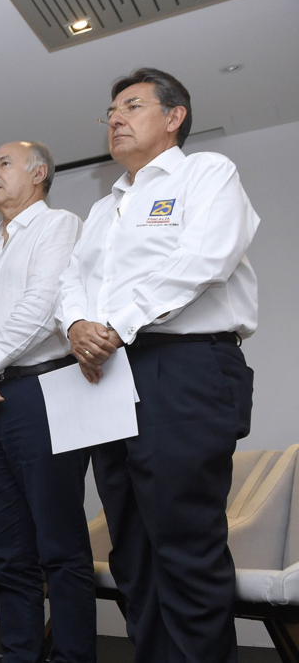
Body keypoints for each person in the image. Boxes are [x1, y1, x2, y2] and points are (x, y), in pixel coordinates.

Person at [60, 68, 258, 663]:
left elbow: (205, 260)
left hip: (185, 366)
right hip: (109, 373)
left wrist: (116, 323)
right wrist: (76, 325)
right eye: (111, 111)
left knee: (184, 542)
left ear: (174, 117)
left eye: (132, 106)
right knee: (131, 550)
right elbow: (72, 279)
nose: (115, 118)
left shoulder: (207, 173)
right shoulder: (105, 207)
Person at [0, 142, 93, 663]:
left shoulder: (59, 225)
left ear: (39, 173)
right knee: (6, 549)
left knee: (59, 545)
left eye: (3, 163)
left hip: (44, 391)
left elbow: (42, 306)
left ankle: (72, 656)